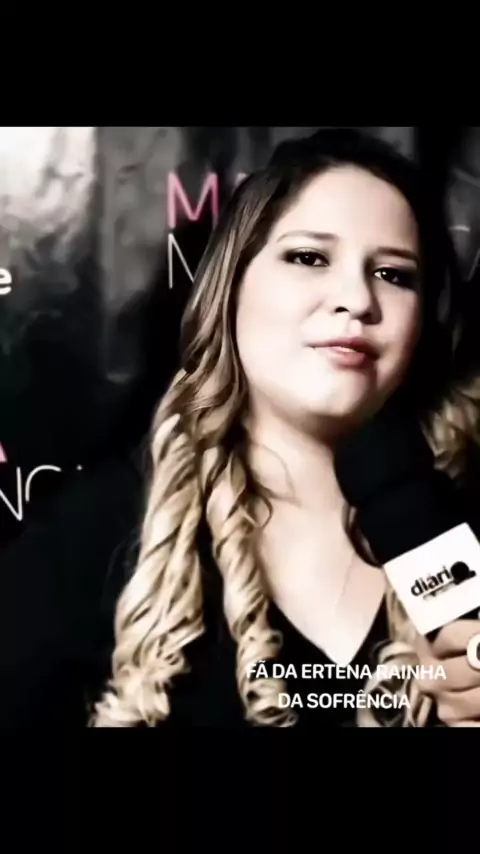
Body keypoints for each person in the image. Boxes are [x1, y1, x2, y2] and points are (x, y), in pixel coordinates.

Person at [13, 128, 480, 729]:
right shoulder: (98, 536)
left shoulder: (456, 524)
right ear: (231, 288)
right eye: (309, 258)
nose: (356, 299)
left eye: (393, 274)